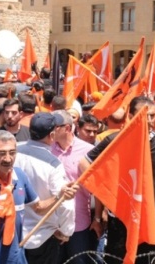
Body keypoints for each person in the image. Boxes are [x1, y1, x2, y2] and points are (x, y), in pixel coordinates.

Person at [0, 130, 77, 264]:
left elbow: (38, 207)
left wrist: (59, 196)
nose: (8, 159)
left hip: (17, 259)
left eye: (12, 152)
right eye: (1, 153)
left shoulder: (20, 176)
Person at [79, 96, 155, 264]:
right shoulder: (115, 140)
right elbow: (85, 164)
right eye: (144, 115)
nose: (149, 120)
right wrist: (105, 196)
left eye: (152, 115)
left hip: (147, 216)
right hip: (121, 217)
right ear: (131, 116)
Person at [14, 113, 76, 264]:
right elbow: (65, 202)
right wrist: (66, 231)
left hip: (15, 232)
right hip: (43, 236)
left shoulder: (14, 150)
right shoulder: (53, 164)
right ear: (52, 134)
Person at [51, 110, 97, 264]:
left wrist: (97, 219)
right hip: (52, 223)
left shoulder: (87, 151)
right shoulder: (47, 149)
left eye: (55, 126)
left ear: (68, 128)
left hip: (79, 223)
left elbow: (97, 187)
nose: (50, 129)